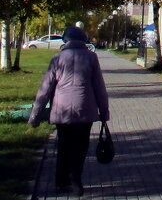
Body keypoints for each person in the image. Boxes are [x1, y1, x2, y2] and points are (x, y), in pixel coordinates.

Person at [29, 26, 110, 196]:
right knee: (80, 147)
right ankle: (76, 181)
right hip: (85, 110)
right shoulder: (91, 57)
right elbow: (99, 87)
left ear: (65, 40)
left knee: (64, 145)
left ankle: (60, 182)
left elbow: (46, 88)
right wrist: (104, 112)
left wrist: (35, 115)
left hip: (62, 110)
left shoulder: (57, 58)